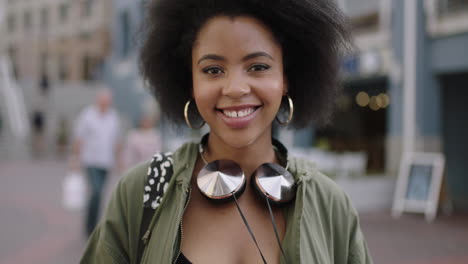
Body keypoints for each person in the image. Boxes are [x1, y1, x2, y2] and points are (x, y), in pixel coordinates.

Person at [81, 0, 373, 263]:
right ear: (190, 82)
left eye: (258, 66)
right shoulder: (142, 192)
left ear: (286, 77)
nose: (235, 89)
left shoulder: (331, 205)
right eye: (212, 70)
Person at [73, 88, 122, 236]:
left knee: (100, 194)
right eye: (103, 101)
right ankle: (90, 226)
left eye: (108, 101)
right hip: (90, 160)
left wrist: (119, 159)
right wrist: (75, 158)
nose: (105, 104)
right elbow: (79, 138)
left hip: (106, 161)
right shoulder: (88, 115)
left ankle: (93, 224)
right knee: (96, 191)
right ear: (98, 101)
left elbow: (116, 140)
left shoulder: (113, 117)